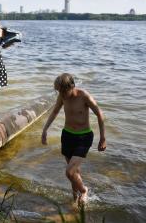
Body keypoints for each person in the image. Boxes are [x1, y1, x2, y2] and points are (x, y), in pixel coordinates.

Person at [41, 73, 106, 206]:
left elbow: (99, 114)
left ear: (72, 86)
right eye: (59, 91)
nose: (62, 94)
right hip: (67, 136)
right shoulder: (62, 96)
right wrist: (45, 130)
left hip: (83, 137)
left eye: (64, 91)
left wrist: (103, 138)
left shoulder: (84, 96)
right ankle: (75, 203)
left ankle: (84, 190)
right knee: (74, 173)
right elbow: (54, 112)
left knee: (69, 172)